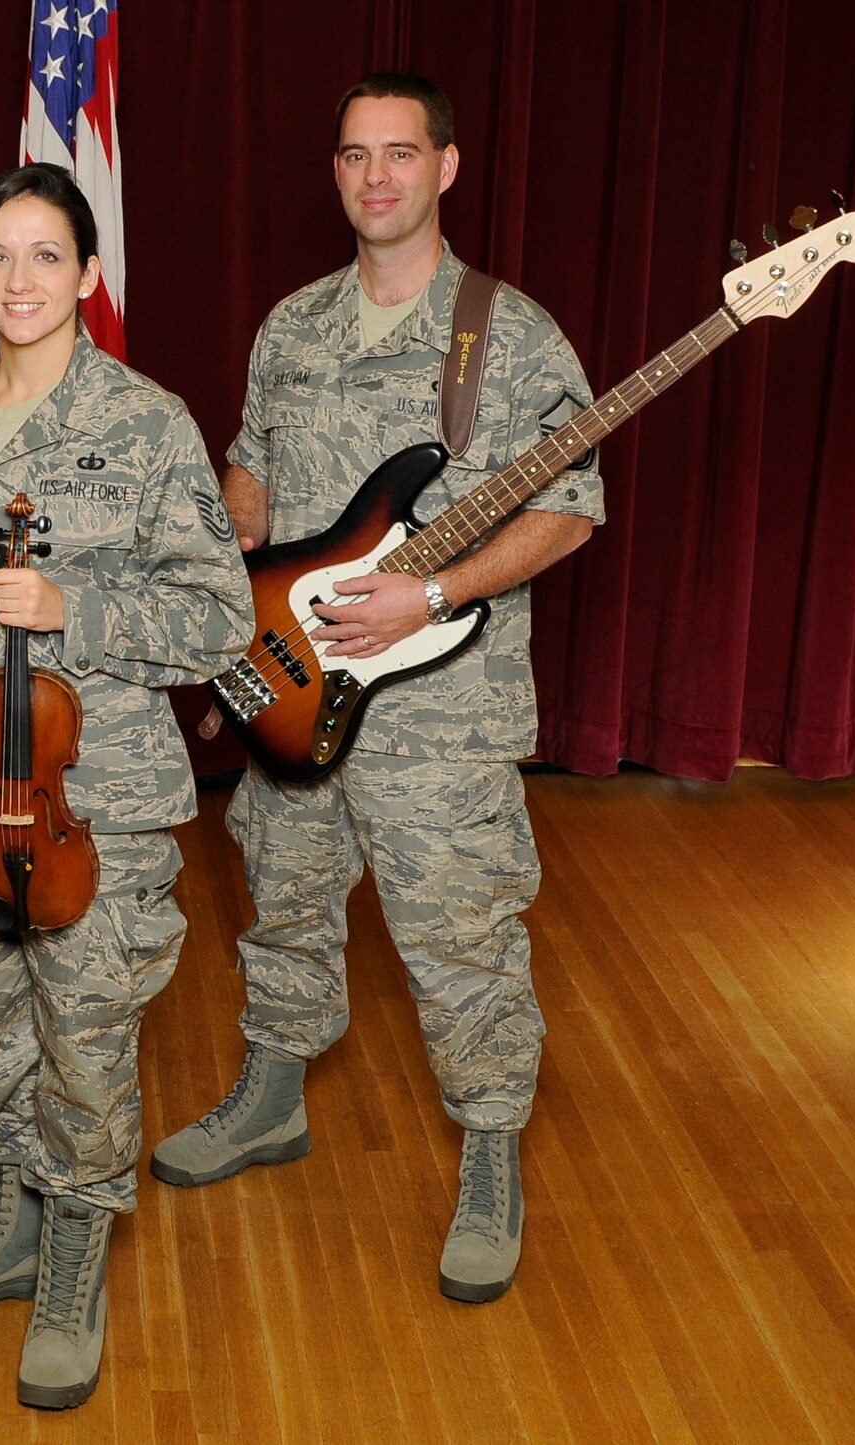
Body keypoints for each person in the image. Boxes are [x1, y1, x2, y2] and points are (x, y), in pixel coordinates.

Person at [150, 72, 604, 1305]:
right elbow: (248, 468)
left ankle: (492, 1144)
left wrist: (437, 591)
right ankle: (271, 1092)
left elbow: (567, 508)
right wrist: (237, 592)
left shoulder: (508, 334)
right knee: (282, 897)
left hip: (437, 717)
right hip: (290, 683)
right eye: (353, 155)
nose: (374, 177)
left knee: (458, 936)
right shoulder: (292, 323)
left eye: (399, 153)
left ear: (445, 168)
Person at [0, 164, 252, 1409]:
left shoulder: (146, 422)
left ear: (87, 272)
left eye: (44, 255)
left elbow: (217, 617)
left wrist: (76, 606)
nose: (18, 280)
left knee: (84, 1039)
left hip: (99, 808)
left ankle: (74, 1247)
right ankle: (16, 1213)